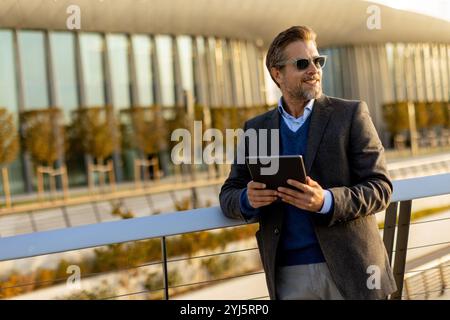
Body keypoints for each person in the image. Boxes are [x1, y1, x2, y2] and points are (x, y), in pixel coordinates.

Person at [219, 26, 396, 300]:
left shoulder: (350, 115)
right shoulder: (256, 129)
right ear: (277, 74)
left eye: (317, 61)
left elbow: (381, 187)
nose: (314, 69)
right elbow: (228, 193)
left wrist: (326, 201)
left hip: (354, 270)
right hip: (289, 278)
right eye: (302, 64)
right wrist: (247, 199)